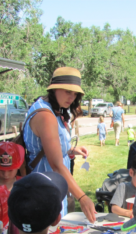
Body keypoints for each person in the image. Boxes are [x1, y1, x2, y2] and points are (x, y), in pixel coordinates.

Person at [23, 67, 96, 222]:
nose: (71, 97)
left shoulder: (51, 109)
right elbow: (56, 164)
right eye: (67, 91)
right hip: (44, 191)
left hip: (54, 189)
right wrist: (82, 197)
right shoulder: (45, 115)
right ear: (54, 89)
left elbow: (49, 146)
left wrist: (71, 149)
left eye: (75, 93)